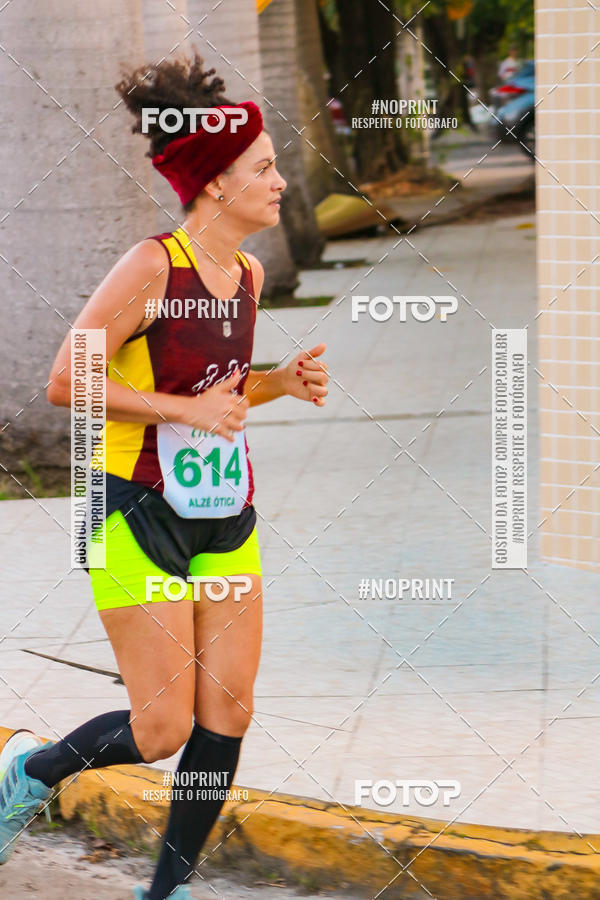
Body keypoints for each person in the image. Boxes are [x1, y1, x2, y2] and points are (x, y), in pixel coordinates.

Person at [0, 53, 329, 900]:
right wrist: (183, 414)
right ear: (215, 184)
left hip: (225, 513)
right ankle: (26, 774)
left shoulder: (248, 276)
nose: (280, 181)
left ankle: (167, 889)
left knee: (229, 712)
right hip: (134, 514)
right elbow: (67, 381)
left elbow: (218, 391)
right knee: (160, 728)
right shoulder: (153, 266)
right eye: (264, 167)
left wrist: (277, 383)